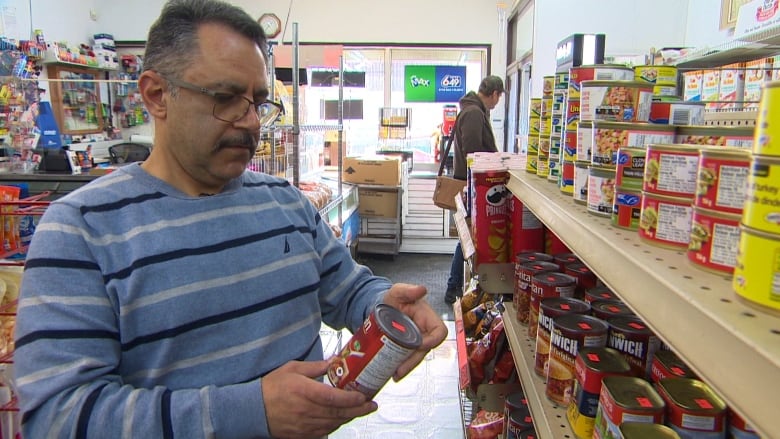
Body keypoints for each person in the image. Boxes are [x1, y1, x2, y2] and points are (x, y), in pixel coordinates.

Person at [13, 1, 448, 438]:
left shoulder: (286, 203)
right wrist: (248, 411)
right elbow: (59, 418)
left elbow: (347, 288)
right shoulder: (80, 229)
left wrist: (382, 303)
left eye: (258, 102)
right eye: (226, 99)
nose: (252, 123)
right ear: (157, 95)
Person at [445, 75, 504, 304]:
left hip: (471, 184)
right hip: (472, 185)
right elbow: (473, 154)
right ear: (494, 94)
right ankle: (452, 288)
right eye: (498, 98)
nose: (496, 104)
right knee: (468, 239)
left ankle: (454, 287)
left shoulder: (473, 111)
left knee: (467, 238)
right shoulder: (474, 113)